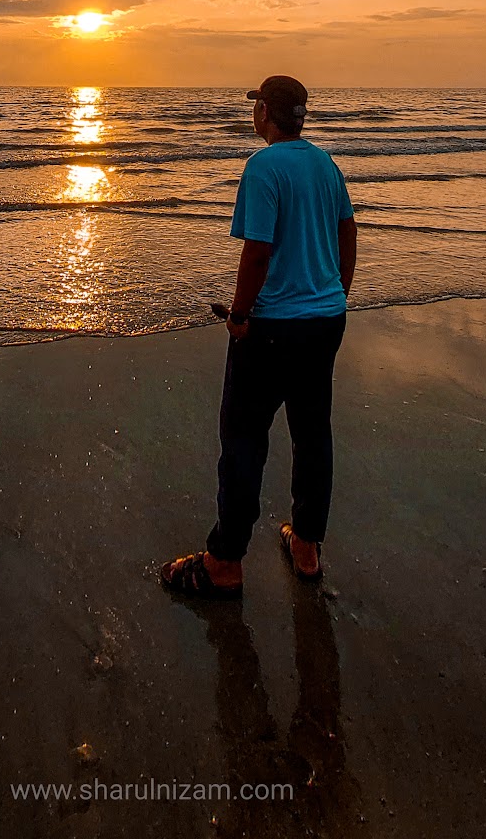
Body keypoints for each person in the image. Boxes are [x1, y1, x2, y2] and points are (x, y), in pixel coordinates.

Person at [161, 75, 357, 598]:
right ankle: (307, 547)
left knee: (244, 439)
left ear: (265, 112)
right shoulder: (325, 165)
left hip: (271, 328)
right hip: (324, 321)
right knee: (313, 435)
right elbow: (347, 230)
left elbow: (257, 252)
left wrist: (240, 315)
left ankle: (224, 560)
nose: (254, 115)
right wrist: (337, 291)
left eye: (257, 108)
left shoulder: (263, 167)